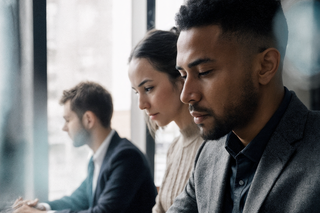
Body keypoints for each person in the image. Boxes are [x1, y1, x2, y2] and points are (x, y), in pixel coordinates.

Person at [167, 0, 320, 212]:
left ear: (265, 66)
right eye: (183, 75)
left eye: (203, 72)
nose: (186, 96)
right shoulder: (209, 155)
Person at [14, 81, 157, 213]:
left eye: (68, 120)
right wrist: (41, 207)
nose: (64, 128)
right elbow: (78, 200)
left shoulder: (127, 158)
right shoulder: (98, 158)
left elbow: (103, 212)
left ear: (88, 119)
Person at [128, 28, 203, 213]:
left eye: (148, 88)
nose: (141, 105)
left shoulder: (214, 147)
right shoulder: (174, 149)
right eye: (137, 92)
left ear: (180, 79)